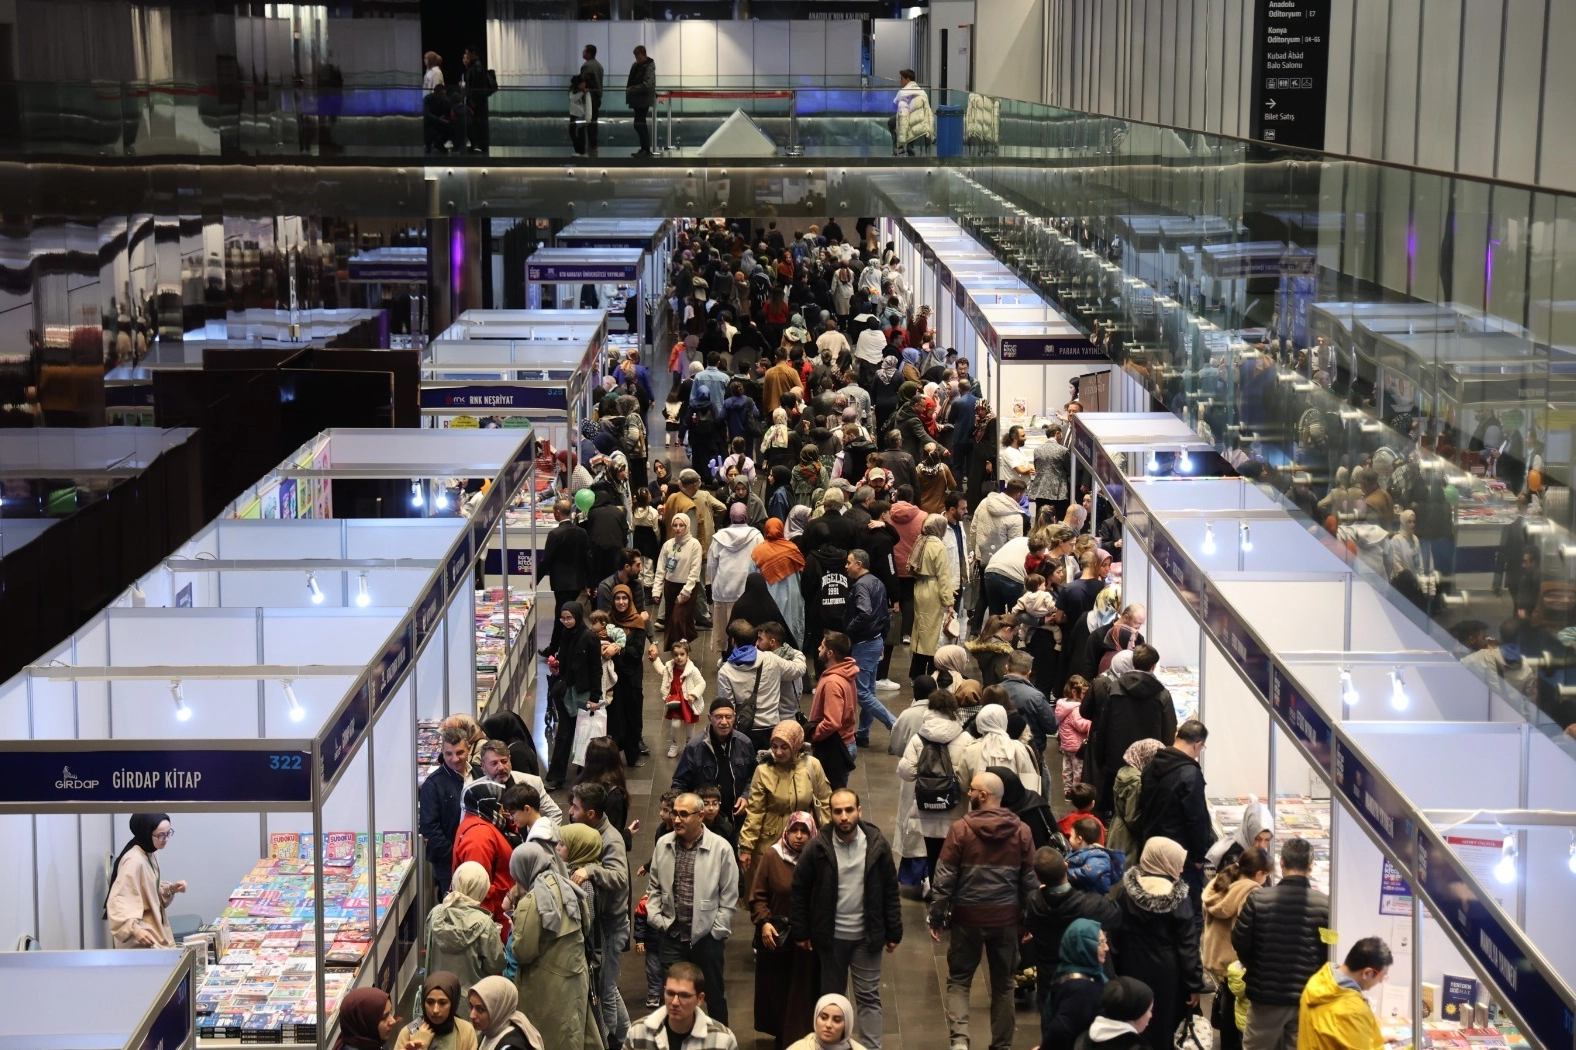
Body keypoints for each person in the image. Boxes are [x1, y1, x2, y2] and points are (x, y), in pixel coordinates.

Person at [929, 772, 1037, 1050]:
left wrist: (938, 916)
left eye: (973, 789)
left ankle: (960, 1043)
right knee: (1004, 986)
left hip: (968, 918)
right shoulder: (1022, 831)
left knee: (960, 981)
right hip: (1006, 920)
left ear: (985, 795)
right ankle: (1001, 1046)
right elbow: (1029, 881)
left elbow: (944, 878)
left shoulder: (961, 830)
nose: (968, 793)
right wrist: (1028, 920)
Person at [791, 789, 902, 1050]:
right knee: (831, 1000)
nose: (843, 816)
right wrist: (801, 930)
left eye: (849, 810)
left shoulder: (876, 843)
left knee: (868, 997)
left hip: (867, 937)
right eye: (837, 811)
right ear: (830, 813)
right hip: (831, 939)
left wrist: (894, 930)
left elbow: (889, 887)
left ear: (859, 811)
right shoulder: (818, 846)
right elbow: (800, 888)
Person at [646, 793, 741, 1025]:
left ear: (700, 817)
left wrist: (716, 931)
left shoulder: (721, 849)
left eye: (683, 814)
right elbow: (654, 887)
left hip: (707, 940)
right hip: (672, 936)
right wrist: (658, 920)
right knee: (671, 1000)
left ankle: (720, 1041)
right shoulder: (663, 844)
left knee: (715, 997)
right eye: (674, 813)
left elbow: (729, 897)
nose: (676, 819)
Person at [1231, 837, 1332, 1050]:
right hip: (1307, 998)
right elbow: (1329, 954)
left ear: (1282, 863)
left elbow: (1240, 941)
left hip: (1265, 997)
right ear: (1311, 865)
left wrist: (1254, 966)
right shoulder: (1325, 906)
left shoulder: (1259, 900)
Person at [1107, 837, 1206, 1050]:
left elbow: (1114, 937)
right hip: (1168, 974)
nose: (1180, 870)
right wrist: (1194, 985)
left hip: (1130, 966)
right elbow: (1188, 946)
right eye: (1178, 863)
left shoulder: (1126, 894)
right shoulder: (1179, 899)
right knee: (1163, 1023)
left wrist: (1114, 974)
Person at [508, 841, 599, 1050]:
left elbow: (523, 952)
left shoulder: (531, 902)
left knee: (547, 1040)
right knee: (573, 1035)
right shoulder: (568, 886)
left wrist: (515, 930)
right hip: (576, 977)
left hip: (547, 989)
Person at [567, 782, 632, 1048]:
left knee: (605, 991)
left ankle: (618, 1042)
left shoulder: (611, 839)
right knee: (609, 986)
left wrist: (592, 871)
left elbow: (619, 877)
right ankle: (628, 1037)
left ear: (591, 814)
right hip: (605, 927)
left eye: (575, 807)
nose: (570, 812)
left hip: (613, 927)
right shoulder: (590, 831)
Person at [749, 811, 821, 1048]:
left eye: (805, 831)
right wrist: (764, 922)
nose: (799, 836)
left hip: (808, 940)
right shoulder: (773, 856)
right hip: (778, 938)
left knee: (803, 991)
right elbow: (758, 895)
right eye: (794, 830)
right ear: (787, 832)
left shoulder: (819, 859)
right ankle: (782, 1035)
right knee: (779, 990)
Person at [1082, 644, 1177, 813]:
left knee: (1116, 802)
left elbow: (1103, 725)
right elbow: (1169, 731)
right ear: (1153, 666)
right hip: (1148, 762)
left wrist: (1101, 757)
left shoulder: (1114, 688)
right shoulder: (1162, 694)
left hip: (1116, 757)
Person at [1135, 719, 1216, 914]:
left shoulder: (1153, 764)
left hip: (1152, 846)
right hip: (1180, 854)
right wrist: (1198, 856)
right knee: (1185, 909)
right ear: (1197, 745)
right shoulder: (1190, 775)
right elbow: (1196, 818)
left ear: (1175, 737)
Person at [1024, 849, 1121, 1012]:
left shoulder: (1033, 902)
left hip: (1050, 981)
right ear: (1067, 866)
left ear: (1039, 877)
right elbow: (1116, 915)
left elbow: (1028, 921)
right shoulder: (1090, 904)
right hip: (1086, 983)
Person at [895, 686, 972, 881]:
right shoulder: (966, 738)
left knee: (932, 854)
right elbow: (967, 778)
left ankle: (933, 888)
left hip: (926, 808)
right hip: (955, 809)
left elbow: (906, 772)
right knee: (954, 857)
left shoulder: (918, 738)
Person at [739, 719, 834, 873]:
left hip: (802, 839)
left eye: (784, 747)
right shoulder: (763, 770)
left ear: (796, 745)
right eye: (774, 747)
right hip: (769, 841)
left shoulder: (812, 766)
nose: (778, 752)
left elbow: (825, 803)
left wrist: (829, 838)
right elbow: (755, 812)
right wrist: (746, 847)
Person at [1203, 847, 1271, 1050]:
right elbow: (1249, 933)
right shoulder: (1250, 893)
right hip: (1235, 963)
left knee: (1227, 1007)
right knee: (1238, 1014)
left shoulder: (1221, 882)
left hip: (1217, 957)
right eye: (1266, 875)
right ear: (1259, 873)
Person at [718, 618, 808, 752]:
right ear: (754, 640)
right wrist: (794, 652)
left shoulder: (725, 671)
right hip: (772, 728)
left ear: (733, 642)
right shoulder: (771, 660)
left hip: (745, 730)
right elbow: (798, 669)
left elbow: (728, 708)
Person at [424, 861, 506, 1002]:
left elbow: (428, 949)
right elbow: (496, 965)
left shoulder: (435, 914)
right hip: (472, 1004)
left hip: (437, 1000)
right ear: (482, 888)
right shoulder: (485, 923)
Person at [543, 601, 602, 789]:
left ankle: (583, 774)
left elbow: (595, 669)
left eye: (570, 618)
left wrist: (595, 697)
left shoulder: (590, 637)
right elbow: (564, 659)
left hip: (582, 693)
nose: (567, 622)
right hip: (566, 690)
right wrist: (556, 666)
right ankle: (557, 775)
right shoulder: (564, 634)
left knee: (583, 734)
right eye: (563, 618)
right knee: (564, 733)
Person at [105, 813, 186, 948]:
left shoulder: (150, 853)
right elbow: (117, 902)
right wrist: (135, 930)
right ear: (146, 833)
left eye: (168, 833)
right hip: (141, 936)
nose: (165, 839)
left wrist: (171, 889)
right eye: (161, 835)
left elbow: (148, 891)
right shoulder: (134, 861)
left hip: (151, 926)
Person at [1296, 937, 1393, 1050]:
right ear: (1367, 973)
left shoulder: (1318, 981)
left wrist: (1374, 1037)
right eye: (1382, 976)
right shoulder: (1353, 1010)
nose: (1381, 981)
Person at [671, 695, 755, 821]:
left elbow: (754, 776)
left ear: (734, 717)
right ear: (710, 718)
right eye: (719, 717)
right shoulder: (695, 747)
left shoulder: (745, 743)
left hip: (736, 815)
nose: (724, 722)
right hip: (703, 819)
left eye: (728, 717)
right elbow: (679, 783)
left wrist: (746, 796)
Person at [843, 549, 896, 748]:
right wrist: (881, 639)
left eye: (849, 562)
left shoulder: (860, 586)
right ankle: (863, 734)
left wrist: (849, 630)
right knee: (869, 692)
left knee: (861, 693)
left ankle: (895, 723)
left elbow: (864, 612)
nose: (846, 566)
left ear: (858, 563)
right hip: (874, 641)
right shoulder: (877, 582)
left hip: (864, 643)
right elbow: (884, 614)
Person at [625, 961, 739, 1050]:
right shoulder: (638, 1032)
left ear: (700, 999)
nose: (674, 1002)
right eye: (670, 993)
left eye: (684, 996)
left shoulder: (722, 1039)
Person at [452, 781, 517, 931]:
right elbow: (476, 889)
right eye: (501, 804)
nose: (504, 810)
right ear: (489, 805)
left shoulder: (478, 822)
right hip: (494, 918)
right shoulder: (479, 838)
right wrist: (486, 926)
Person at [1041, 919, 1110, 1050]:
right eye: (1100, 943)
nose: (1107, 947)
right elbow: (1059, 1031)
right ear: (1084, 947)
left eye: (1105, 941)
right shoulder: (1081, 989)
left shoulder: (1069, 969)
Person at [422, 727, 473, 892]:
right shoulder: (433, 784)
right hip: (449, 863)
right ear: (442, 752)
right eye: (448, 754)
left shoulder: (478, 773)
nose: (454, 759)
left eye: (460, 753)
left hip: (478, 853)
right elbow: (430, 827)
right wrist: (453, 854)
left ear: (469, 749)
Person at [808, 631, 861, 788]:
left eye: (822, 646)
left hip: (835, 748)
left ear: (830, 653)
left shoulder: (833, 682)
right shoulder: (845, 672)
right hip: (845, 742)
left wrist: (814, 735)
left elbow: (832, 722)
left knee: (831, 799)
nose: (819, 649)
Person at [906, 513, 955, 678]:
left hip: (919, 586)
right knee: (932, 635)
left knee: (920, 630)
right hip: (933, 591)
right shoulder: (939, 546)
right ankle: (930, 673)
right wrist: (949, 602)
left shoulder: (921, 541)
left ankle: (915, 672)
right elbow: (943, 576)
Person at [652, 513, 703, 649]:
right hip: (670, 585)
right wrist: (656, 590)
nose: (678, 528)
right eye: (675, 525)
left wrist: (686, 591)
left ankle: (682, 650)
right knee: (671, 620)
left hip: (688, 587)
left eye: (681, 525)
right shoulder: (668, 544)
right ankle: (676, 648)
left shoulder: (694, 544)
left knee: (678, 618)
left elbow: (695, 569)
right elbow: (661, 568)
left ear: (687, 526)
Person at [753, 517, 807, 646]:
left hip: (769, 596)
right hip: (792, 596)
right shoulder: (792, 548)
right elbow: (802, 570)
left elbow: (752, 576)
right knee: (792, 627)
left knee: (770, 631)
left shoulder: (759, 551)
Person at [1107, 738, 1164, 858]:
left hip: (1118, 829)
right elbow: (1133, 817)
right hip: (1128, 839)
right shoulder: (1137, 782)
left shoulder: (1125, 771)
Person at [1073, 977, 1154, 1050]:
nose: (1151, 1015)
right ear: (1137, 1015)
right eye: (1150, 1010)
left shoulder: (1083, 1039)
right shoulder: (1138, 1047)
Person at [404, 971, 478, 1050]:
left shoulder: (466, 1032)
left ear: (453, 1003)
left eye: (442, 1003)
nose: (435, 1010)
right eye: (430, 1002)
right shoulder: (408, 1033)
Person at [467, 976, 545, 1050]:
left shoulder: (512, 1046)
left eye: (480, 1009)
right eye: (471, 1006)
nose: (472, 1015)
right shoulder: (490, 1031)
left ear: (499, 1010)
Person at [785, 994, 869, 1050]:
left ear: (846, 1025)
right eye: (823, 1017)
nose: (828, 1025)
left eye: (837, 1020)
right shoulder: (799, 1048)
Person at [335, 988, 399, 1050]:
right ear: (362, 1022)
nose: (393, 1021)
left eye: (390, 1013)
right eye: (384, 1017)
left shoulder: (370, 1041)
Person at [892, 69, 935, 155]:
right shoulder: (922, 92)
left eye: (902, 79)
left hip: (908, 119)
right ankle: (909, 146)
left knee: (892, 122)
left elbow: (894, 105)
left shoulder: (902, 92)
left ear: (908, 80)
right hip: (921, 119)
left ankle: (898, 146)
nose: (901, 82)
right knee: (913, 121)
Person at [626, 45, 656, 157]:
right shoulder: (637, 66)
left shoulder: (649, 67)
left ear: (644, 55)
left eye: (639, 57)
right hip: (637, 100)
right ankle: (644, 148)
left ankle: (646, 149)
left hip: (643, 99)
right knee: (639, 123)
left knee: (640, 123)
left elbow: (648, 85)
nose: (637, 60)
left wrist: (632, 89)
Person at [579, 44, 604, 155]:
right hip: (597, 97)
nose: (582, 53)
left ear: (589, 53)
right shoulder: (599, 65)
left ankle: (589, 146)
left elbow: (583, 83)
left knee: (588, 122)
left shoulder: (586, 66)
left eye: (584, 51)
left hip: (590, 98)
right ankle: (593, 145)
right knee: (593, 121)